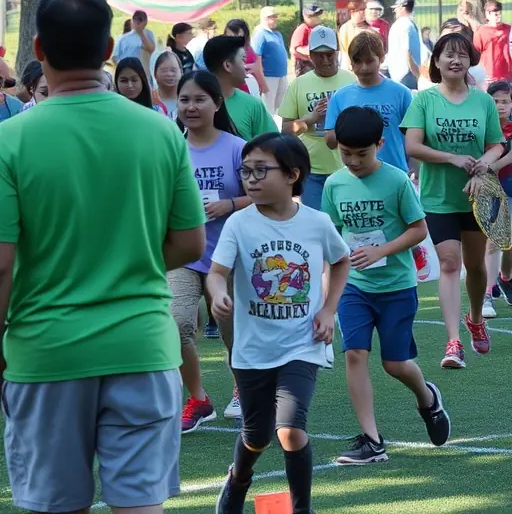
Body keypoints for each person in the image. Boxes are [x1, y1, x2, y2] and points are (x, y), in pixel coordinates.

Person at [0, 0, 205, 513]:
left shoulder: (9, 141)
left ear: (39, 50)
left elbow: (1, 263)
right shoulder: (161, 132)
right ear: (111, 48)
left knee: (52, 504)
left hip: (45, 349)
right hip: (141, 345)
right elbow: (189, 242)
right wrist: (126, 258)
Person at [208, 133, 350, 514]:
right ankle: (238, 478)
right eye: (246, 171)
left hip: (302, 344)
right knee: (256, 436)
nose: (250, 179)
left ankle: (302, 509)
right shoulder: (239, 224)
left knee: (289, 429)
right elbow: (217, 271)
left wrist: (328, 310)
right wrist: (219, 292)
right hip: (252, 349)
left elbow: (341, 261)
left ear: (292, 174)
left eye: (261, 170)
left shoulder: (317, 223)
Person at [325, 106, 451, 464]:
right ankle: (371, 439)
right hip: (355, 286)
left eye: (361, 154)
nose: (352, 160)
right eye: (345, 153)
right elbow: (333, 237)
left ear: (379, 144)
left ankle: (427, 397)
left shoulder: (396, 180)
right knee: (354, 353)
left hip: (396, 286)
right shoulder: (334, 184)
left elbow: (418, 230)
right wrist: (326, 297)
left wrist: (382, 249)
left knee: (395, 364)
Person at [401, 32, 505, 369]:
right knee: (449, 262)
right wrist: (451, 158)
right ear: (437, 61)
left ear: (470, 60)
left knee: (475, 266)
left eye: (462, 54)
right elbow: (412, 147)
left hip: (476, 198)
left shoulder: (483, 101)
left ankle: (475, 318)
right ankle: (453, 342)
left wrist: (483, 166)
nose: (455, 59)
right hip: (437, 199)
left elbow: (496, 144)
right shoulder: (425, 100)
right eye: (448, 54)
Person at [175, 69, 250, 433]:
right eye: (184, 99)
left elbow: (262, 194)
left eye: (199, 99)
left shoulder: (236, 148)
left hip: (229, 255)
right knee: (176, 323)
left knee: (233, 331)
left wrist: (230, 204)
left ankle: (244, 389)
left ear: (217, 104)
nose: (191, 106)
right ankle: (198, 398)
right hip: (182, 254)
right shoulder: (171, 147)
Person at [279, 26, 355, 210]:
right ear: (310, 55)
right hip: (311, 169)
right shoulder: (299, 84)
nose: (325, 60)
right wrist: (310, 119)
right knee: (317, 222)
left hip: (347, 167)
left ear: (337, 53)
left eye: (329, 54)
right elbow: (285, 131)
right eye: (319, 55)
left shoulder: (351, 81)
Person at [325, 31, 414, 174]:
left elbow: (414, 136)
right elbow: (330, 141)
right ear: (351, 62)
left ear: (382, 58)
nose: (364, 67)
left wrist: (415, 170)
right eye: (358, 61)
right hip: (354, 176)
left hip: (394, 173)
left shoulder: (401, 93)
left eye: (369, 61)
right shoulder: (340, 96)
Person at [482, 80, 512, 319]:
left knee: (509, 242)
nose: (500, 106)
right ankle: (488, 293)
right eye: (495, 101)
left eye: (505, 101)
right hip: (486, 190)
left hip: (508, 189)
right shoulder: (482, 127)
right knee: (492, 241)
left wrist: (490, 167)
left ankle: (505, 278)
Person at [204, 35, 278, 141]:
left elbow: (273, 143)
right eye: (243, 60)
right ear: (227, 66)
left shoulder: (253, 105)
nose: (246, 66)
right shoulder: (197, 106)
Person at [252, 6, 290, 114]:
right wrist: (262, 82)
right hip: (268, 77)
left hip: (281, 75)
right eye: (271, 17)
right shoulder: (260, 34)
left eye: (275, 16)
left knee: (282, 107)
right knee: (268, 109)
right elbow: (257, 58)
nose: (274, 19)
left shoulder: (277, 34)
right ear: (264, 18)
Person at [385, 0, 422, 90]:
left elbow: (407, 51)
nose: (395, 11)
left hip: (406, 73)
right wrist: (417, 74)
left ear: (402, 7)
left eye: (396, 8)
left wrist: (415, 73)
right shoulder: (406, 25)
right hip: (404, 73)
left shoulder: (404, 25)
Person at [473, 0, 512, 83]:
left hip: (506, 76)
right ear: (487, 14)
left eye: (499, 13)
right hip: (488, 77)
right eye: (495, 14)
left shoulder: (509, 30)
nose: (498, 17)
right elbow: (475, 54)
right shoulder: (481, 32)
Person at [112, 9, 157, 77]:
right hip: (126, 72)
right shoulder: (123, 38)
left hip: (144, 73)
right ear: (132, 21)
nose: (137, 25)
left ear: (145, 22)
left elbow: (151, 49)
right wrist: (122, 69)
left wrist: (141, 33)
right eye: (135, 21)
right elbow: (114, 57)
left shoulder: (148, 34)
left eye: (139, 22)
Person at [225, 18, 263, 95]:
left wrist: (260, 84)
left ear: (245, 35)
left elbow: (257, 69)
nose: (233, 39)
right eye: (229, 36)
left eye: (237, 36)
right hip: (236, 91)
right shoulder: (224, 51)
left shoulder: (248, 48)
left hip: (251, 88)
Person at [290, 4, 324, 78]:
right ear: (306, 16)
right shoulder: (303, 28)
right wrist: (312, 52)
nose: (317, 17)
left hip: (313, 63)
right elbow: (295, 49)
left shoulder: (316, 29)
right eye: (314, 15)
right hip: (304, 65)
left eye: (317, 15)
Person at [339, 0, 373, 70]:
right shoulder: (345, 28)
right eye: (362, 10)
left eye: (365, 9)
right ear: (352, 12)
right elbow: (346, 49)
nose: (365, 12)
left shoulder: (370, 29)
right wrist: (351, 65)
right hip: (350, 67)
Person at [153, 50, 183, 120]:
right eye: (164, 71)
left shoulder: (189, 100)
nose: (169, 74)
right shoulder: (148, 100)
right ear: (155, 75)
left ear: (181, 73)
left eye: (173, 70)